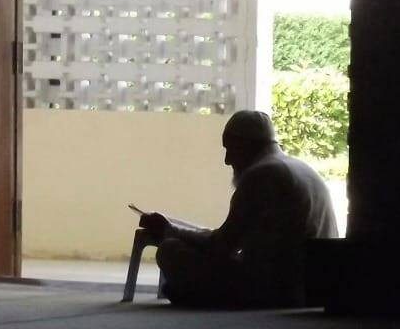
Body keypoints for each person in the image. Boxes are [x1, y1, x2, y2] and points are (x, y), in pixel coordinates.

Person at [138, 110, 338, 308]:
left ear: (245, 145)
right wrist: (174, 227)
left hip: (278, 289)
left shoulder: (262, 176)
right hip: (311, 285)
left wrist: (169, 231)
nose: (227, 160)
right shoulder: (299, 168)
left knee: (170, 250)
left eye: (229, 149)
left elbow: (222, 245)